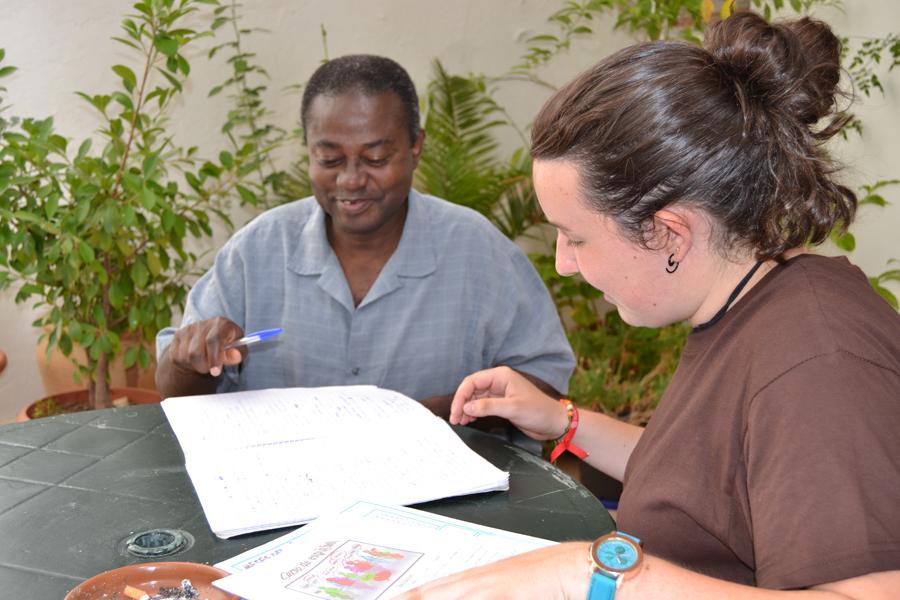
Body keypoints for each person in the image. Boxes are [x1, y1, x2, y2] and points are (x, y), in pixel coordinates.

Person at [399, 12, 900, 599]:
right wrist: (565, 420)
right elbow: (713, 484)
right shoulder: (747, 303)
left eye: (576, 236)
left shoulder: (819, 365)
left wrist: (592, 575)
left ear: (669, 234)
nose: (563, 261)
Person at [154, 54, 574, 418]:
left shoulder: (478, 252)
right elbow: (173, 388)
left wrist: (446, 413)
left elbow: (546, 383)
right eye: (329, 158)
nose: (351, 180)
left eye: (375, 157)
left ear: (415, 147)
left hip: (435, 495)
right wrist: (188, 358)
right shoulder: (257, 250)